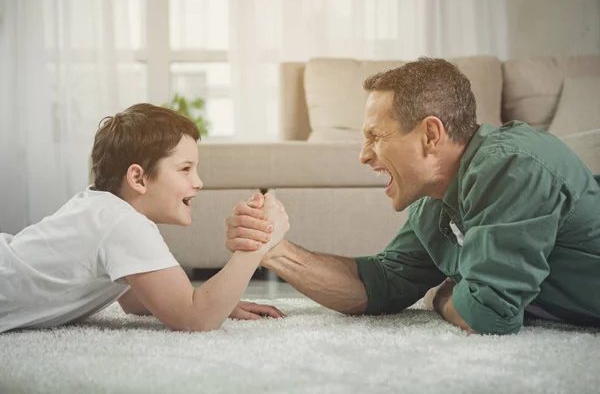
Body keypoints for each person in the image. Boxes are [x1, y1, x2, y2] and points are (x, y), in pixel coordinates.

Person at [225, 57, 600, 335]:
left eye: (376, 135)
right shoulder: (432, 202)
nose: (364, 154)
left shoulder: (510, 166)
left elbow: (486, 316)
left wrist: (440, 296)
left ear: (431, 134)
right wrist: (273, 249)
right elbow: (380, 284)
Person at [0, 103, 288, 334]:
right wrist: (257, 244)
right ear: (138, 178)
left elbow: (136, 299)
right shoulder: (123, 223)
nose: (198, 181)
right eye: (185, 168)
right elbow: (194, 319)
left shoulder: (102, 209)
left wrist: (220, 303)